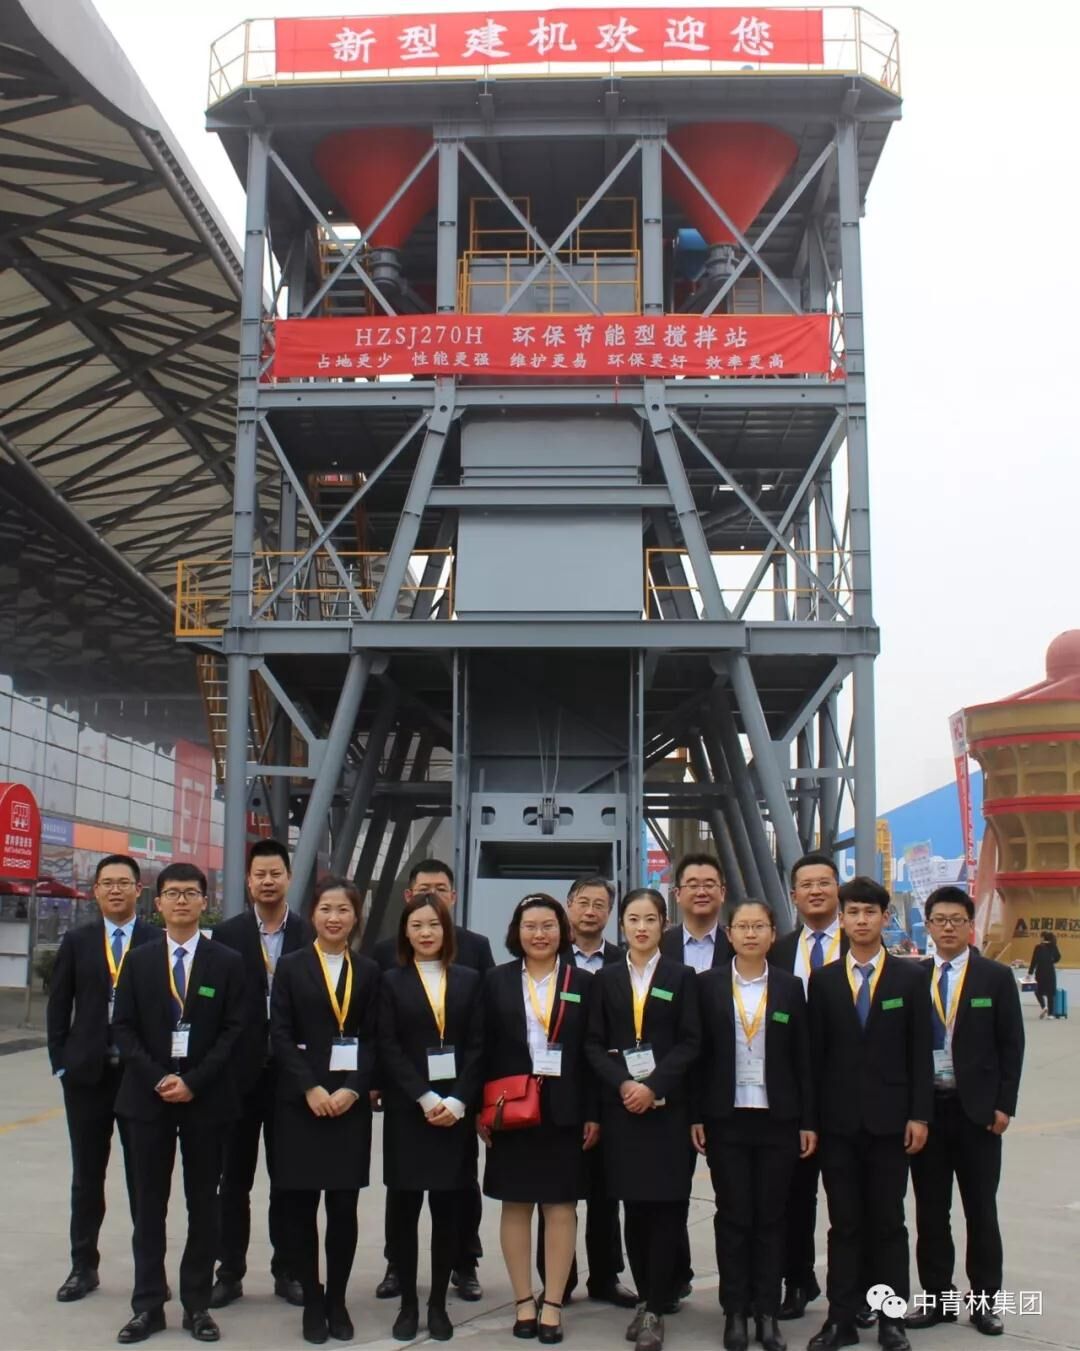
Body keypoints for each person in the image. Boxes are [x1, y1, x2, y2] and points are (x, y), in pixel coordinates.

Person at [112, 862, 246, 1344]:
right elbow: (123, 1027)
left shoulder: (226, 962)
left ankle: (196, 1305)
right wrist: (159, 1077)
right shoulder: (138, 960)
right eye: (173, 893)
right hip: (147, 1101)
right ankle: (148, 1305)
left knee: (203, 1206)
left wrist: (194, 1081)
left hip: (205, 1102)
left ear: (205, 902)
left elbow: (235, 1029)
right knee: (149, 1206)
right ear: (159, 902)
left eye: (191, 893)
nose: (182, 901)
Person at [806, 877, 933, 1351]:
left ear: (884, 918)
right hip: (837, 1125)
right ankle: (840, 1319)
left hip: (890, 1124)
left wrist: (919, 1115)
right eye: (853, 912)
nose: (861, 921)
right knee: (843, 1225)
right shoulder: (823, 981)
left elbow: (921, 1053)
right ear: (841, 919)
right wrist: (810, 1122)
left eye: (870, 912)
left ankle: (890, 1321)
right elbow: (813, 1059)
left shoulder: (910, 978)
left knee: (888, 1224)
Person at [693, 900, 816, 1351]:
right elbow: (698, 1055)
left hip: (777, 1119)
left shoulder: (789, 987)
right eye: (742, 926)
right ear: (729, 934)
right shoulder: (707, 985)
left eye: (758, 926)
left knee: (771, 1217)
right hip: (725, 1119)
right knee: (733, 1216)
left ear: (772, 934)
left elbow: (803, 1058)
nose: (750, 934)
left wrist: (807, 1120)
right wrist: (696, 1115)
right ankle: (735, 1311)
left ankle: (767, 1311)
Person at [371, 858, 494, 1304]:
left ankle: (464, 1262)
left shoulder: (474, 953)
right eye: (424, 891)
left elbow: (482, 1036)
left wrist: (463, 1100)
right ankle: (398, 1268)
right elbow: (384, 1037)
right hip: (409, 1100)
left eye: (440, 890)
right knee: (402, 1194)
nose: (426, 930)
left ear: (452, 899)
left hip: (457, 1101)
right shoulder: (386, 961)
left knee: (459, 1191)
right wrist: (414, 1093)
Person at [904, 886, 1024, 1338]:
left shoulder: (994, 977)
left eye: (957, 920)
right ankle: (937, 1297)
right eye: (940, 920)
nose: (948, 928)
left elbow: (1011, 1045)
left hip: (978, 1115)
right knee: (931, 1212)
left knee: (981, 1211)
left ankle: (985, 1302)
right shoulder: (912, 977)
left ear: (971, 925)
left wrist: (1004, 1104)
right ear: (928, 926)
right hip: (928, 1114)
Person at [586, 887, 701, 1351]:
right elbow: (593, 1043)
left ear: (663, 925)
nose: (641, 927)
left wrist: (653, 1085)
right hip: (624, 1113)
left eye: (650, 919)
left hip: (667, 1110)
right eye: (633, 919)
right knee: (633, 1209)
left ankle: (657, 1302)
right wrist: (623, 1085)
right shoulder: (606, 979)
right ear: (622, 925)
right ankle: (646, 1300)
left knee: (668, 1208)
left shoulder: (682, 976)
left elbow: (691, 1041)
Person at [480, 893, 599, 1345]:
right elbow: (482, 1048)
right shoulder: (496, 981)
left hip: (565, 1110)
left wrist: (592, 1113)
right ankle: (522, 1300)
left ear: (562, 931)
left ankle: (552, 1303)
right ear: (517, 932)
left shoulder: (581, 982)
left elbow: (591, 1052)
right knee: (516, 1204)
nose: (539, 934)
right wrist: (480, 1111)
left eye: (548, 925)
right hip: (511, 1109)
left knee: (561, 1206)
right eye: (530, 926)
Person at [46, 854, 163, 1304]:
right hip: (87, 1077)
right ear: (95, 891)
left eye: (123, 883)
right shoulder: (77, 941)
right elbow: (60, 1005)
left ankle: (148, 1274)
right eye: (107, 883)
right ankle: (83, 1266)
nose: (115, 890)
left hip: (139, 1076)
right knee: (87, 1176)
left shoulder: (156, 940)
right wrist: (61, 1062)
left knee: (144, 1178)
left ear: (138, 890)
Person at [270, 876, 380, 1345]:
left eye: (344, 910)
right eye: (326, 909)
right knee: (299, 1207)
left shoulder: (369, 971)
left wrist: (354, 1090)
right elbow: (279, 1034)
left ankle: (337, 1299)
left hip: (349, 1106)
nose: (334, 918)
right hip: (300, 1105)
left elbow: (376, 1038)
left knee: (343, 1207)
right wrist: (311, 1088)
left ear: (356, 917)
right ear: (312, 914)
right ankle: (312, 1299)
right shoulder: (291, 966)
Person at [210, 839, 313, 1309]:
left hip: (292, 1078)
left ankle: (287, 1270)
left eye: (276, 874)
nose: (268, 882)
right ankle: (229, 1272)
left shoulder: (309, 933)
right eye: (260, 875)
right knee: (233, 1180)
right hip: (238, 1078)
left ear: (288, 878)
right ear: (248, 881)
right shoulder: (226, 935)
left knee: (288, 1179)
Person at [537, 876, 635, 1308]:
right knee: (554, 1191)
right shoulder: (547, 956)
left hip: (611, 1088)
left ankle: (606, 1276)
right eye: (583, 902)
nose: (591, 911)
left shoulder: (622, 960)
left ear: (610, 913)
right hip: (558, 1088)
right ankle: (557, 1280)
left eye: (600, 904)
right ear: (569, 905)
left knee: (605, 1192)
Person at [769, 853, 848, 1324]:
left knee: (849, 1204)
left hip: (846, 1095)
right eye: (806, 885)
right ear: (793, 894)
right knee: (793, 1199)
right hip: (793, 1095)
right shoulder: (778, 951)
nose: (816, 891)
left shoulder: (862, 942)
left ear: (838, 889)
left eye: (824, 882)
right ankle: (796, 1281)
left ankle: (852, 1293)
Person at [658, 853, 733, 1302]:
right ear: (678, 893)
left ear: (723, 892)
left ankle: (740, 1290)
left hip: (731, 1087)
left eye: (710, 883)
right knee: (669, 1191)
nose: (701, 890)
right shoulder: (658, 945)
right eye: (692, 883)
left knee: (735, 1197)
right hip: (673, 1088)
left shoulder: (742, 942)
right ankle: (671, 1277)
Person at [1027, 930, 1061, 1018]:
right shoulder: (1053, 946)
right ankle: (1050, 1014)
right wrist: (1052, 961)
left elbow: (1034, 961)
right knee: (1050, 993)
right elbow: (1058, 957)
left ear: (1043, 938)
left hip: (1040, 972)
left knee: (1037, 990)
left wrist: (1030, 973)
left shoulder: (1038, 947)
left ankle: (1044, 1006)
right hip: (1050, 972)